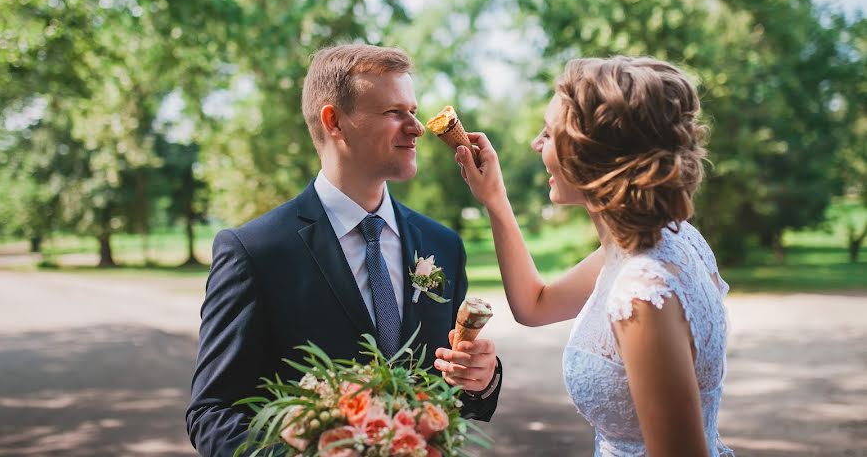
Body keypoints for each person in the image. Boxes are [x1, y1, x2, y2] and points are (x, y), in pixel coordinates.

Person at [186, 44, 502, 457]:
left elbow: (452, 399)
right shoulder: (254, 252)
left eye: (413, 109)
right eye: (394, 113)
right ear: (334, 121)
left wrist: (482, 379)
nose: (417, 127)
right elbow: (212, 413)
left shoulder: (442, 245)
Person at [456, 56, 733, 456]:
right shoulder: (663, 240)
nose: (536, 144)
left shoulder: (642, 290)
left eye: (549, 134)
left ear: (591, 154)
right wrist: (495, 199)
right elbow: (534, 304)